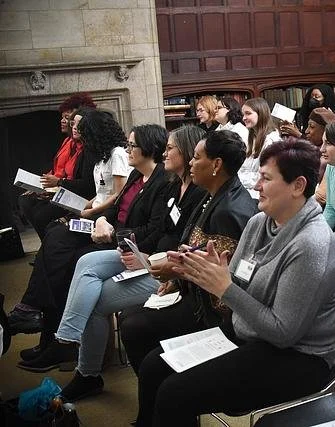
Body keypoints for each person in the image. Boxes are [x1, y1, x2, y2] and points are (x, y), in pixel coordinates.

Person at [134, 139, 335, 426]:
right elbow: (233, 284)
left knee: (175, 393)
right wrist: (201, 271)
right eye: (259, 176)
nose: (257, 186)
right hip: (246, 334)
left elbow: (283, 332)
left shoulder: (311, 244)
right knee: (152, 367)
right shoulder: (259, 223)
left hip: (298, 357)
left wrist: (224, 286)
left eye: (266, 178)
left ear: (298, 186)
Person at [41, 126, 207, 401]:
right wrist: (109, 225)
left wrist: (143, 256)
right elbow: (154, 229)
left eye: (170, 149)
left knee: (93, 299)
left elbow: (172, 238)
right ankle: (69, 338)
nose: (165, 153)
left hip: (165, 271)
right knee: (86, 261)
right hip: (142, 255)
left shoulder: (190, 191)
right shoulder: (173, 185)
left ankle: (85, 370)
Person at [12, 122, 170, 373]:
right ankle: (42, 322)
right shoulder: (136, 175)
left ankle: (57, 337)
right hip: (107, 231)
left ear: (149, 148)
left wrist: (111, 233)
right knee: (55, 236)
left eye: (132, 145)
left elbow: (153, 230)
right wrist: (101, 220)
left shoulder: (162, 181)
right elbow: (116, 207)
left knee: (69, 261)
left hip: (125, 245)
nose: (127, 149)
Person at [119, 130, 258, 377]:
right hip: (193, 293)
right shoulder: (213, 195)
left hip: (213, 312)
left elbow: (222, 282)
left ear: (216, 164)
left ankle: (164, 392)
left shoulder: (229, 211)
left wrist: (176, 272)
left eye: (196, 157)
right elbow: (194, 249)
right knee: (132, 319)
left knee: (134, 327)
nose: (192, 163)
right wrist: (175, 278)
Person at [8, 109, 131, 337]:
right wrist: (81, 207)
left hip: (105, 218)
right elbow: (100, 193)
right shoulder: (101, 157)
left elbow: (118, 194)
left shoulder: (117, 155)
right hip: (93, 211)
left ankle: (31, 308)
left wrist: (90, 211)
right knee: (54, 230)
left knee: (57, 239)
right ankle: (32, 308)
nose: (83, 141)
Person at [19, 93, 97, 240]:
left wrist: (57, 185)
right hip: (60, 188)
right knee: (25, 201)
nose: (63, 121)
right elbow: (57, 170)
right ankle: (46, 246)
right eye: (64, 118)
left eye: (68, 119)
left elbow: (86, 184)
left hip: (75, 194)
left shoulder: (88, 150)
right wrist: (41, 185)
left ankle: (48, 247)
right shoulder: (68, 142)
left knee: (42, 215)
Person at [239, 97, 281, 197]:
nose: (243, 118)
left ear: (261, 114)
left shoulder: (271, 141)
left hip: (260, 194)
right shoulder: (252, 138)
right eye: (243, 114)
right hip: (247, 190)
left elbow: (264, 177)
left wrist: (237, 178)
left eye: (248, 113)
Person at [304, 108, 335, 206]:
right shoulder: (307, 149)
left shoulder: (328, 159)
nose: (306, 131)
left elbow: (320, 198)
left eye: (312, 127)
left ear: (325, 131)